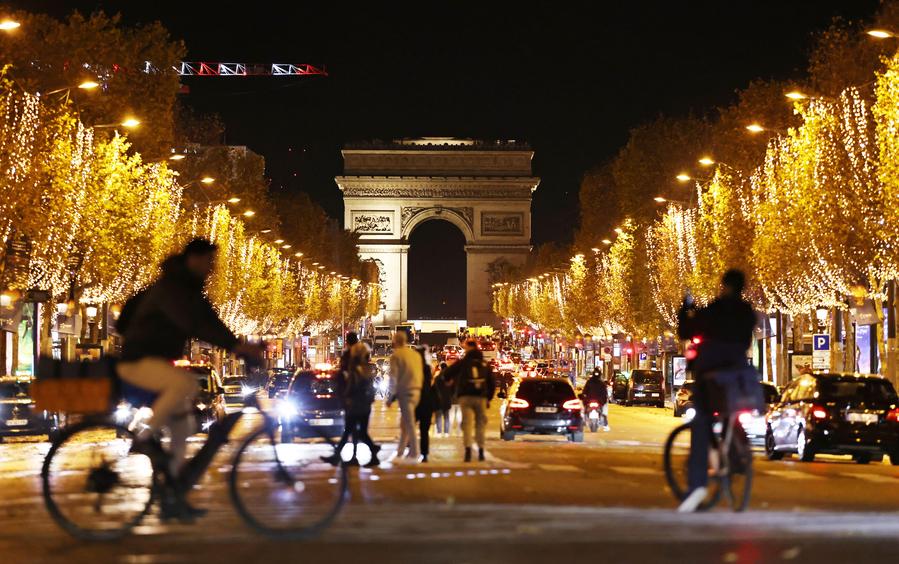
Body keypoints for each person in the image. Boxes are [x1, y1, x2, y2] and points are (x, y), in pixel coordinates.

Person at [115, 239, 261, 515]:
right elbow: (192, 323)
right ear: (193, 259)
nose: (211, 268)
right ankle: (143, 437)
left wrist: (238, 344)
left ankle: (172, 493)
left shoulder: (189, 289)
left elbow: (211, 321)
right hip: (138, 362)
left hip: (156, 362)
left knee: (182, 426)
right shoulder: (171, 289)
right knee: (184, 382)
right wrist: (236, 347)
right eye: (208, 261)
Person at [676, 268, 757, 512]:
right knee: (736, 412)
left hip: (712, 375)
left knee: (701, 423)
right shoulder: (747, 313)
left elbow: (685, 330)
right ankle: (738, 453)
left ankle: (697, 483)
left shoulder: (714, 310)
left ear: (724, 286)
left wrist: (685, 309)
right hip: (740, 374)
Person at [323, 332, 381, 467]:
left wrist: (344, 397)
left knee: (352, 430)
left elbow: (350, 385)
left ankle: (368, 450)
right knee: (355, 431)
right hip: (364, 404)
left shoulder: (356, 369)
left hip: (355, 403)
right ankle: (360, 454)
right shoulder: (367, 369)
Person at [442, 339, 495, 462]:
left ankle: (468, 451)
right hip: (481, 396)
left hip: (465, 396)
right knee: (480, 424)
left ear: (467, 348)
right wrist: (488, 398)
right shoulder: (484, 364)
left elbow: (447, 373)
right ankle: (481, 450)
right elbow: (491, 382)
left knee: (467, 424)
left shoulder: (463, 363)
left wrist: (451, 383)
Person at [386, 331, 423, 461]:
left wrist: (390, 397)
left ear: (395, 341)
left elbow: (393, 378)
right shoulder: (415, 355)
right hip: (417, 391)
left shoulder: (396, 356)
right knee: (404, 423)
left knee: (409, 423)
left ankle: (414, 451)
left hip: (406, 392)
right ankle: (400, 451)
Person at [415, 346, 436, 462]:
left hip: (416, 400)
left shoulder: (414, 368)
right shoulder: (427, 368)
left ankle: (411, 449)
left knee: (410, 427)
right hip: (427, 401)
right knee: (424, 430)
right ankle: (425, 453)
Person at [582, 367, 610, 431]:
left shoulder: (591, 382)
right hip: (596, 401)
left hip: (595, 401)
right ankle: (605, 424)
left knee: (604, 411)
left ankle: (605, 424)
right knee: (604, 411)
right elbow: (585, 391)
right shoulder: (600, 383)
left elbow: (584, 391)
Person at [433, 361, 453, 438]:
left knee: (438, 416)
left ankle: (439, 432)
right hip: (447, 399)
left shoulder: (437, 378)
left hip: (438, 399)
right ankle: (446, 432)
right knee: (446, 416)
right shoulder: (450, 379)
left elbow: (433, 389)